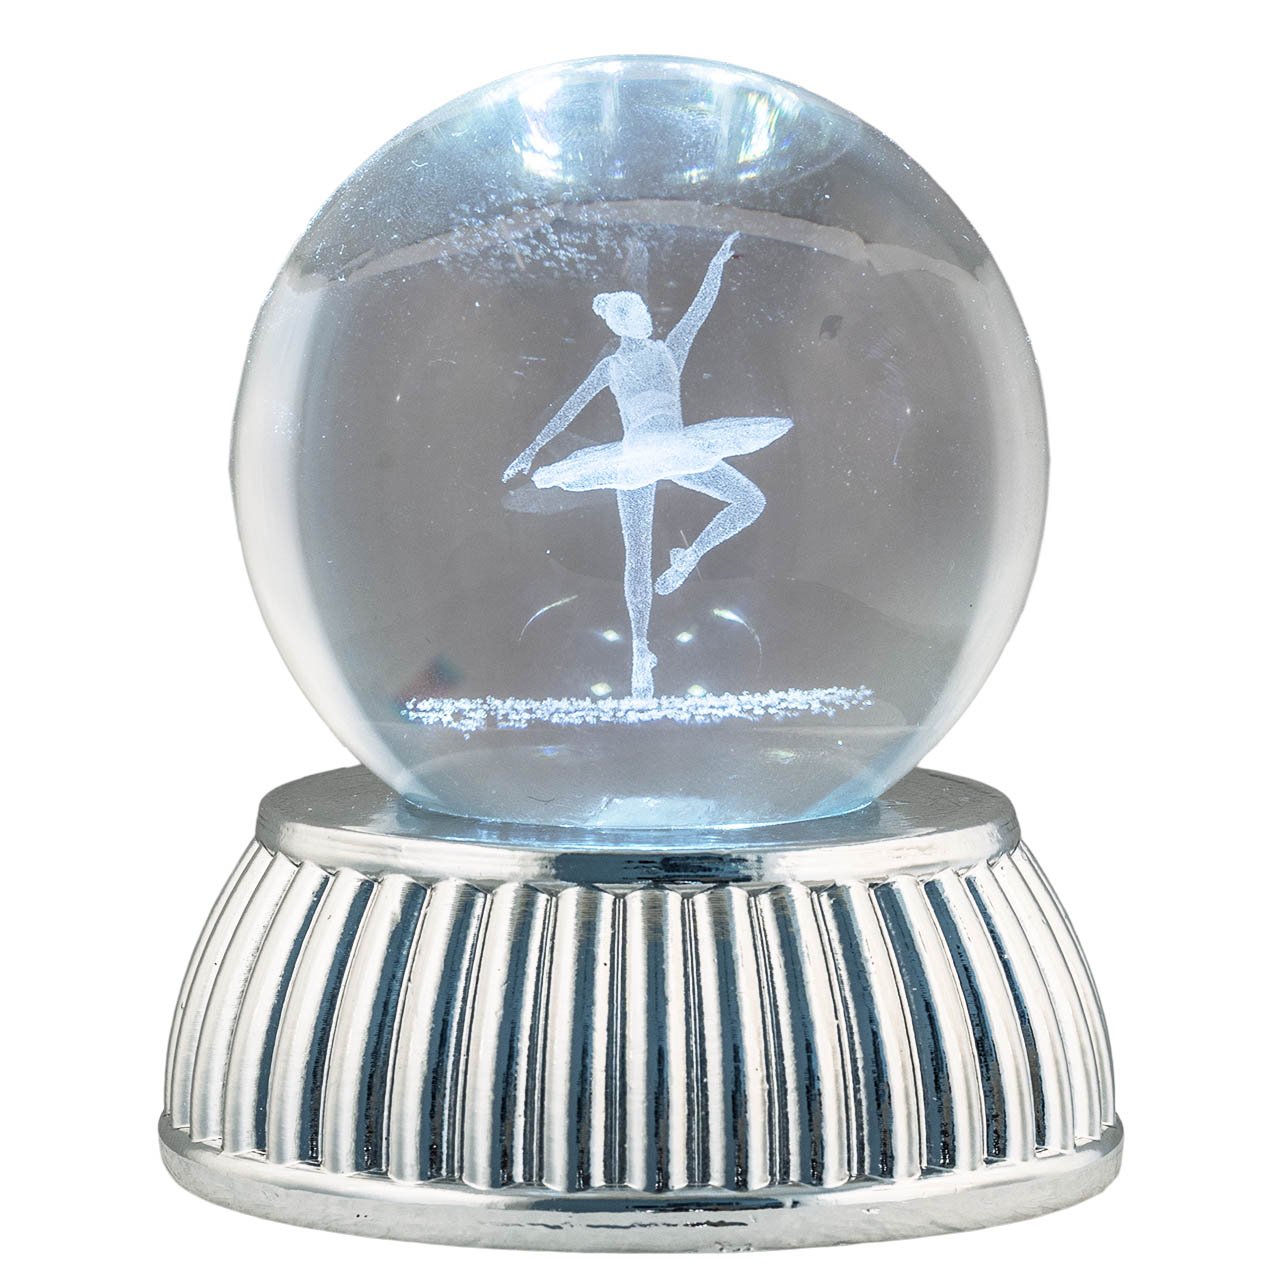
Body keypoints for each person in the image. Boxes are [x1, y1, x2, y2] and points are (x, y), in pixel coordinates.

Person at [503, 232, 792, 699]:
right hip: (644, 457)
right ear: (623, 324)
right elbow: (570, 409)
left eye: (645, 312)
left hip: (665, 452)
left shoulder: (665, 352)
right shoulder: (615, 367)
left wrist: (717, 263)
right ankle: (640, 652)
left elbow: (699, 309)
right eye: (639, 314)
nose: (648, 318)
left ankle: (688, 558)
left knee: (748, 501)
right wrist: (531, 449)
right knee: (636, 553)